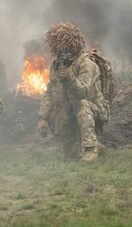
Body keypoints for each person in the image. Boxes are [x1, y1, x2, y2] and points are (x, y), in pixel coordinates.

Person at [37, 22, 104, 161]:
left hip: (91, 108)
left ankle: (90, 148)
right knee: (71, 156)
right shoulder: (56, 65)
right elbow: (50, 93)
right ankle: (84, 145)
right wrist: (42, 118)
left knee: (82, 105)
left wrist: (70, 78)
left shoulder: (86, 63)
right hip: (67, 110)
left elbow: (84, 92)